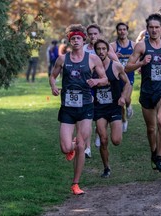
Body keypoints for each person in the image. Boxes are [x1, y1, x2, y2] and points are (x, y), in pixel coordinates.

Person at [49, 24, 108, 195]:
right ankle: (71, 146)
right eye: (73, 38)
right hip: (67, 107)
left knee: (82, 144)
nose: (76, 41)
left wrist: (96, 82)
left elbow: (104, 79)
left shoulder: (93, 59)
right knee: (66, 148)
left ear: (84, 40)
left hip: (85, 107)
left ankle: (75, 183)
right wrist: (53, 87)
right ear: (69, 40)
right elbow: (52, 76)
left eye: (79, 38)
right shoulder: (62, 59)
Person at [125, 13, 161, 173]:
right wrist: (141, 63)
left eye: (157, 27)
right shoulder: (141, 46)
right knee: (150, 128)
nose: (154, 30)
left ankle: (160, 158)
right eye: (151, 27)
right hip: (147, 91)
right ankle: (154, 153)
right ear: (147, 29)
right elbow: (127, 67)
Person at [93, 39, 131, 177]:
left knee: (116, 141)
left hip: (114, 107)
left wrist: (123, 97)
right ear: (95, 51)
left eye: (104, 49)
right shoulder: (91, 67)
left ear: (108, 51)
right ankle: (106, 168)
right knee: (103, 139)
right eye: (99, 49)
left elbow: (127, 83)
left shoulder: (116, 66)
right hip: (99, 108)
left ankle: (120, 125)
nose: (101, 51)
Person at [83, 23, 120, 157]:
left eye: (95, 34)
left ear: (99, 35)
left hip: (105, 86)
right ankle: (87, 148)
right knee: (86, 116)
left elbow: (117, 65)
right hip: (89, 85)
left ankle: (99, 132)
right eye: (90, 34)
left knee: (98, 114)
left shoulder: (105, 47)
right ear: (87, 36)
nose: (93, 36)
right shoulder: (84, 48)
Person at [110, 22, 136, 133]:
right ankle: (124, 120)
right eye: (119, 29)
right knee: (120, 101)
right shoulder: (113, 46)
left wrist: (138, 65)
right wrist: (115, 56)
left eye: (124, 29)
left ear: (127, 31)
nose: (122, 31)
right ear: (117, 31)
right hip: (117, 76)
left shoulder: (133, 45)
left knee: (126, 98)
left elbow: (138, 57)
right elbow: (107, 60)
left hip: (129, 75)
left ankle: (129, 106)